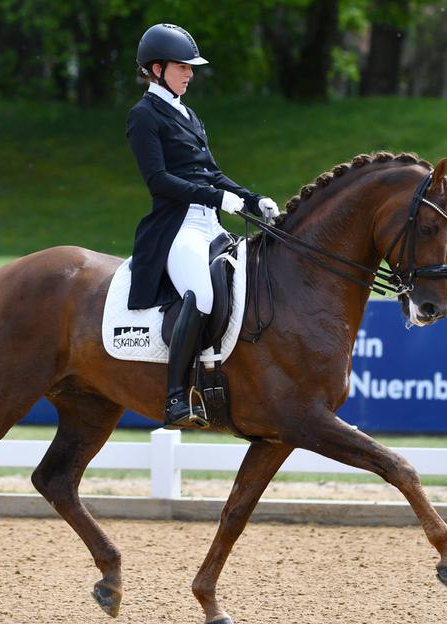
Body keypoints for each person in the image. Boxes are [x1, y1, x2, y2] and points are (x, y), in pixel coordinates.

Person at [125, 23, 279, 429]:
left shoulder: (188, 113)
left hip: (210, 223)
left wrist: (250, 197)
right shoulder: (143, 116)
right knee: (202, 296)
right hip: (178, 227)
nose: (190, 73)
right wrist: (214, 197)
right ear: (156, 69)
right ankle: (176, 397)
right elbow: (158, 180)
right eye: (182, 66)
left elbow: (211, 172)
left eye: (191, 67)